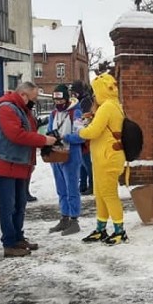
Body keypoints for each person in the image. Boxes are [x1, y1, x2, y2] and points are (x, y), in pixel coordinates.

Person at [0, 81, 57, 258]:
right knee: (8, 205)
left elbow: (30, 129)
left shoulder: (24, 110)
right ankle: (9, 243)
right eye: (33, 98)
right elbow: (16, 135)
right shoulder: (7, 109)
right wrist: (43, 140)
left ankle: (18, 238)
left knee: (20, 204)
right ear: (23, 95)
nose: (35, 101)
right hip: (5, 164)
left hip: (19, 164)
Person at [65, 72, 127, 245]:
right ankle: (101, 228)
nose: (93, 95)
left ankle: (119, 230)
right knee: (99, 194)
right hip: (102, 157)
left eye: (95, 91)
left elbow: (93, 131)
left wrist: (79, 132)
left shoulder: (107, 107)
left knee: (108, 194)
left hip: (108, 157)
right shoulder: (111, 105)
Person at [46, 84, 85, 236]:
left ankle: (74, 220)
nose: (58, 103)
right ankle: (64, 217)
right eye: (56, 101)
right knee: (61, 188)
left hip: (72, 155)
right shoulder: (53, 114)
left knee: (72, 188)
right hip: (56, 155)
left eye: (61, 100)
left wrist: (64, 137)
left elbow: (81, 136)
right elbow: (49, 130)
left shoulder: (76, 113)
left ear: (67, 99)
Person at [70, 80, 94, 195]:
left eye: (74, 92)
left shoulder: (85, 102)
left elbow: (85, 118)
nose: (73, 95)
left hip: (85, 136)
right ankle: (83, 185)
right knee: (82, 163)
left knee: (86, 163)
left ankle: (91, 185)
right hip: (80, 134)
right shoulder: (81, 101)